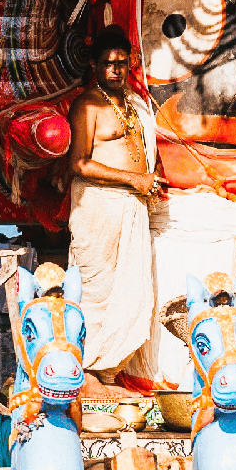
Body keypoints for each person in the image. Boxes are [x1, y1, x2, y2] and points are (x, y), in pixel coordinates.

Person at [67, 26, 165, 400]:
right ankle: (86, 372)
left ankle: (107, 375)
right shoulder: (87, 104)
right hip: (98, 207)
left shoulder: (135, 104)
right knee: (96, 291)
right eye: (108, 64)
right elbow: (79, 163)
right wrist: (132, 178)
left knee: (129, 291)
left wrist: (145, 183)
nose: (115, 70)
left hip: (131, 205)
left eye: (122, 64)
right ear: (95, 66)